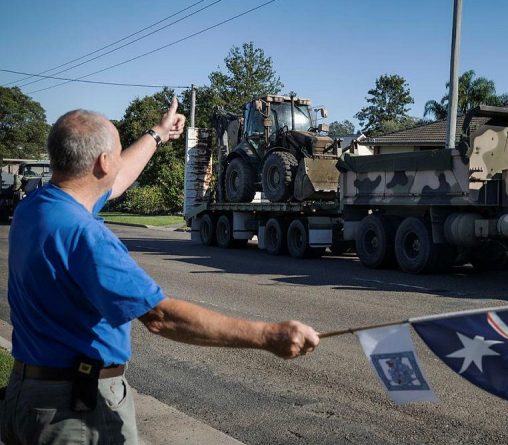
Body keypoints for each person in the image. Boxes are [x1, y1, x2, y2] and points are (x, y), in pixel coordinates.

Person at [1, 99, 320, 444]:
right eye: (118, 152)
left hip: (29, 394)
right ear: (103, 161)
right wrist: (267, 336)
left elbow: (117, 179)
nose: (120, 161)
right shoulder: (86, 236)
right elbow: (161, 317)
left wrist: (158, 134)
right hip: (74, 411)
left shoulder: (36, 207)